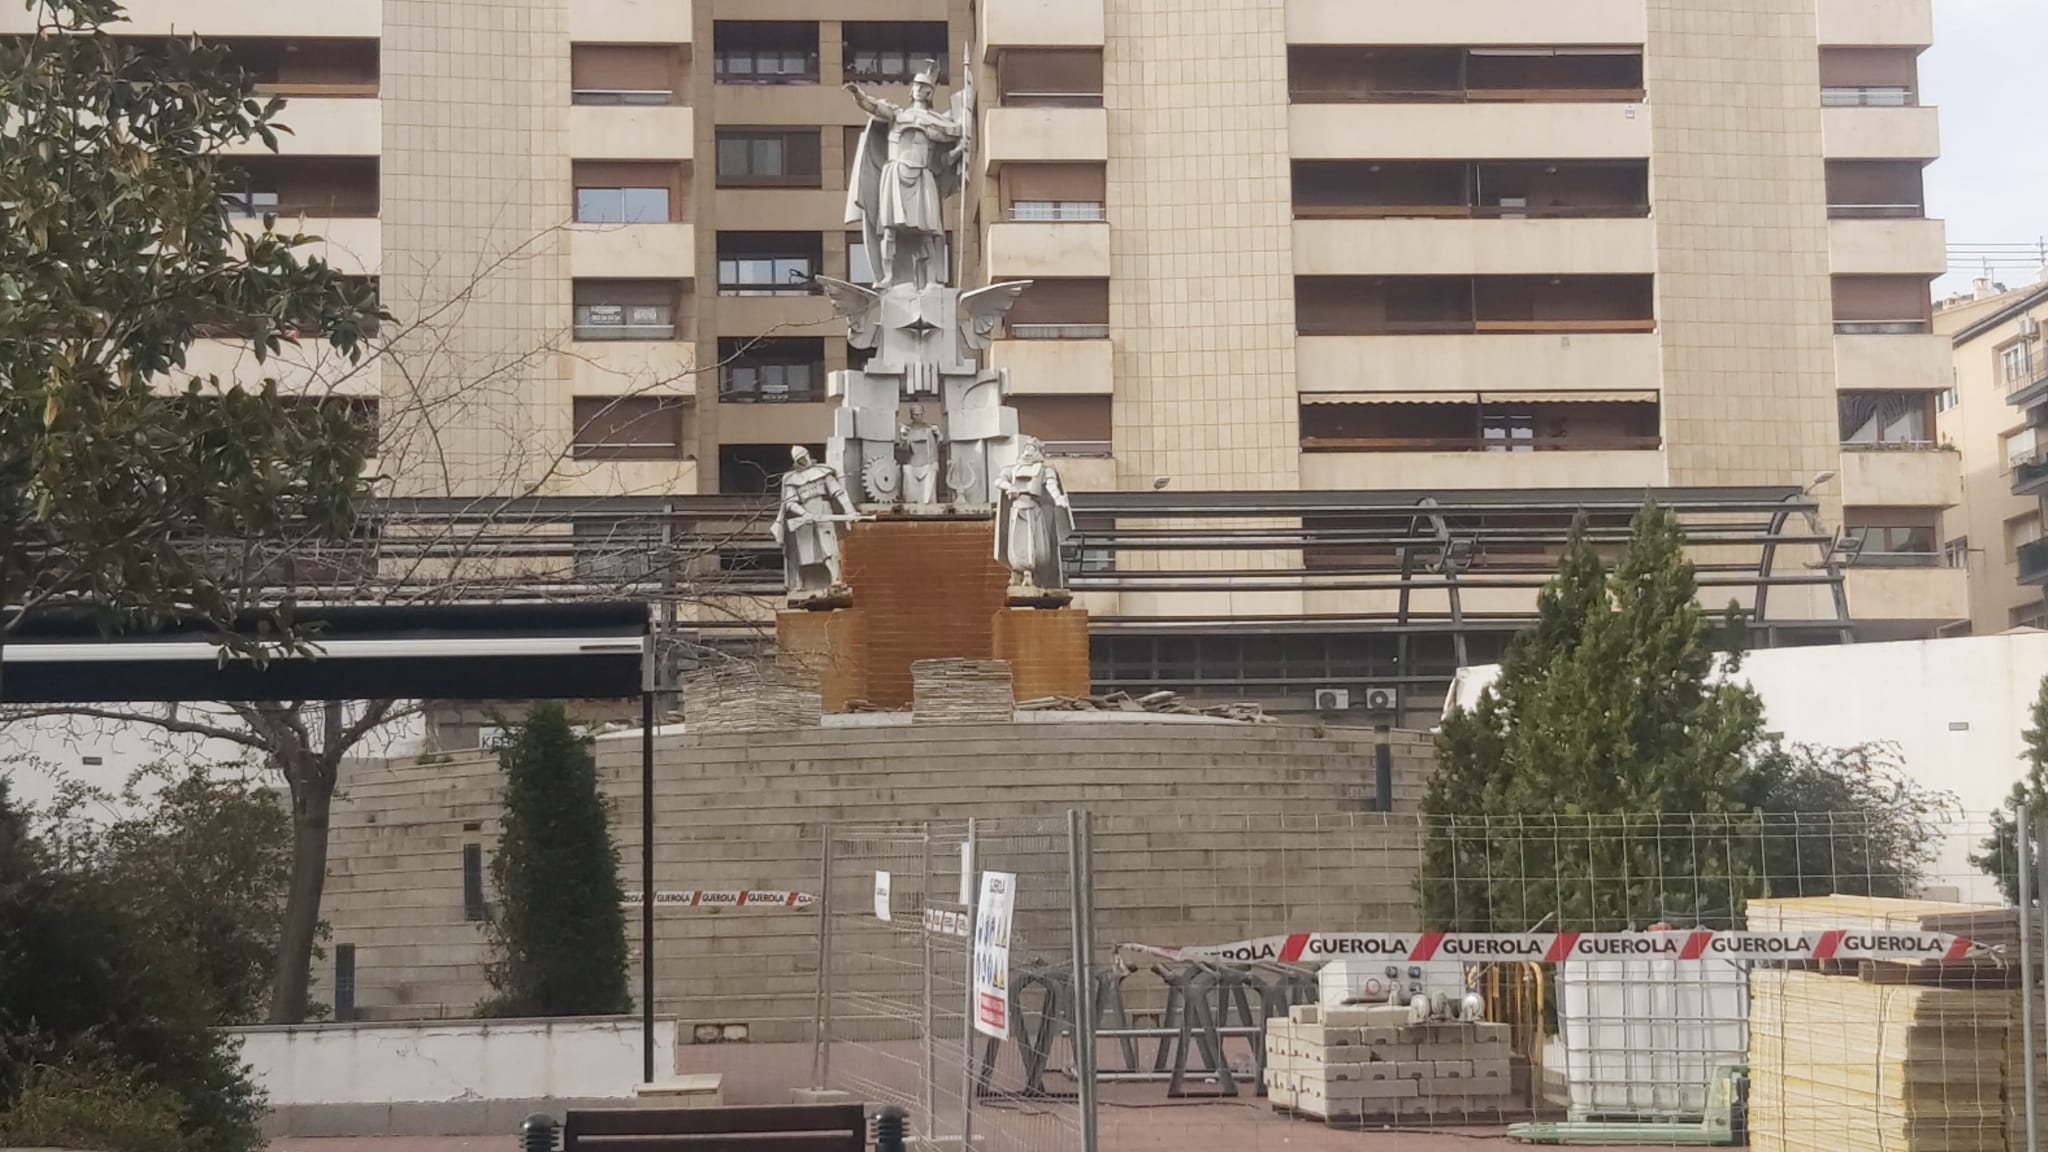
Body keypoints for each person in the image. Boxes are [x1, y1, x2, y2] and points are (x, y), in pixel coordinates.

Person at [844, 62, 969, 290]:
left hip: (923, 176)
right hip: (897, 173)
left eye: (925, 87)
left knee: (928, 232)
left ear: (930, 92)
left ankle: (931, 279)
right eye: (917, 85)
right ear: (911, 90)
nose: (920, 90)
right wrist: (858, 95)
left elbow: (944, 158)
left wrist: (961, 148)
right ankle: (888, 276)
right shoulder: (897, 114)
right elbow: (872, 107)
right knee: (890, 230)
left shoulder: (940, 124)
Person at [770, 446, 858, 601]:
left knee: (829, 548)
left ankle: (835, 579)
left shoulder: (823, 472)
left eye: (804, 458)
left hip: (824, 511)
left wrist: (849, 511)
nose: (803, 462)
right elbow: (789, 503)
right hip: (805, 516)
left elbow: (838, 492)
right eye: (799, 460)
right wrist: (804, 513)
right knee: (803, 551)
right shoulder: (791, 479)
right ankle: (800, 582)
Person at [992, 438, 1076, 592]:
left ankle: (1031, 572)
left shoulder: (1045, 469)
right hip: (1017, 509)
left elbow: (1051, 485)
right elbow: (999, 481)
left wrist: (1057, 498)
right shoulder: (1012, 469)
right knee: (1018, 542)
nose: (1028, 451)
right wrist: (1009, 486)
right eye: (1027, 448)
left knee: (1036, 543)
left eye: (1032, 448)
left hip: (1033, 509)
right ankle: (1017, 570)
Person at [898, 405, 943, 505]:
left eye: (921, 414)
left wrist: (938, 434)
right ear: (911, 415)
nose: (919, 417)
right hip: (913, 463)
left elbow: (939, 442)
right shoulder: (907, 429)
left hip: (928, 463)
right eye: (916, 414)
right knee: (909, 481)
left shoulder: (929, 428)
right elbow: (904, 449)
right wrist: (904, 437)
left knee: (929, 489)